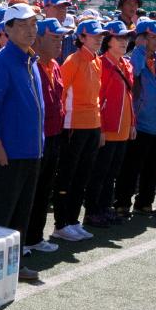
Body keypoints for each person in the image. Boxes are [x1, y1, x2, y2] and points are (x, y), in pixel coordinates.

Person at [0, 3, 42, 282]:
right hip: (10, 151)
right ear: (8, 29)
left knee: (22, 212)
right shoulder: (1, 61)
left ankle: (11, 265)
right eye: (23, 25)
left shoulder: (30, 59)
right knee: (3, 211)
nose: (30, 31)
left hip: (31, 149)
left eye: (33, 25)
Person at [51, 20, 107, 242]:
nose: (99, 38)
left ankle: (73, 220)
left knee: (83, 176)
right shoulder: (72, 61)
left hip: (92, 124)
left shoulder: (96, 61)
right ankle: (61, 223)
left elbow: (96, 97)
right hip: (74, 126)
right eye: (94, 35)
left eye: (100, 35)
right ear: (81, 37)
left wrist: (99, 125)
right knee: (68, 175)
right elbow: (61, 95)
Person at [113, 18, 156, 219]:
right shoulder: (132, 59)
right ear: (141, 38)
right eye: (153, 37)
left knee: (152, 167)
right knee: (131, 167)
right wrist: (139, 50)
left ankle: (145, 203)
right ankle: (121, 204)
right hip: (141, 123)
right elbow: (133, 74)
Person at [24, 18, 70, 257]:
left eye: (61, 38)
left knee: (43, 190)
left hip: (53, 136)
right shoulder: (30, 65)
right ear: (38, 38)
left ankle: (35, 236)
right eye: (54, 38)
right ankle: (22, 239)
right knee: (30, 191)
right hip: (34, 138)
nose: (59, 42)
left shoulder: (55, 65)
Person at [84, 21, 136, 227]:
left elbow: (130, 96)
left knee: (112, 173)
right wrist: (102, 128)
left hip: (123, 128)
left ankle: (105, 208)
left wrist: (133, 122)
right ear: (109, 41)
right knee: (100, 173)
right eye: (120, 38)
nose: (124, 42)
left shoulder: (126, 64)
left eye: (126, 38)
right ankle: (92, 211)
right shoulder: (102, 64)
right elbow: (98, 97)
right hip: (108, 129)